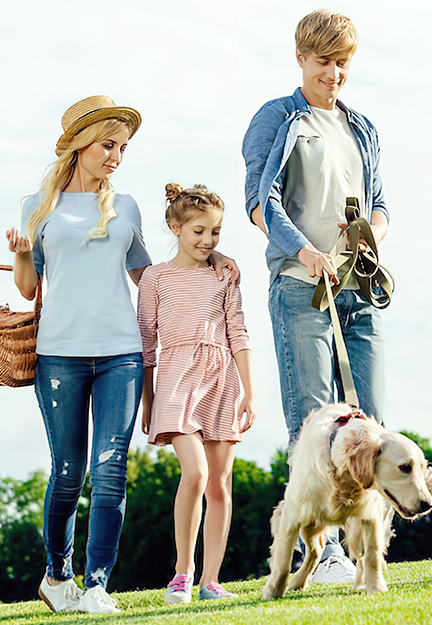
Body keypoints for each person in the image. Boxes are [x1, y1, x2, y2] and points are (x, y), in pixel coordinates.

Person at [5, 97, 237, 614]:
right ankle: (57, 575)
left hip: (121, 354)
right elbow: (27, 288)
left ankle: (97, 585)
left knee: (111, 471)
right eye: (108, 145)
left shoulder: (126, 206)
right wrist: (23, 252)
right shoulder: (36, 205)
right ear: (79, 146)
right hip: (59, 355)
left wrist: (204, 264)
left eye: (122, 147)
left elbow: (148, 277)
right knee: (69, 471)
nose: (116, 155)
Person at [241, 9, 390, 583]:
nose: (334, 73)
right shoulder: (277, 118)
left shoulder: (363, 127)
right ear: (300, 58)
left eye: (343, 63)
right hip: (303, 289)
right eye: (324, 61)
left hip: (358, 289)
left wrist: (371, 235)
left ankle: (367, 558)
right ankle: (320, 554)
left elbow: (380, 200)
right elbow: (261, 202)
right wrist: (306, 252)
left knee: (371, 425)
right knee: (313, 427)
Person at [137, 183, 258, 604]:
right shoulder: (154, 278)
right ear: (175, 226)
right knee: (196, 473)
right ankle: (181, 574)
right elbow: (147, 344)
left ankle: (210, 581)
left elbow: (238, 331)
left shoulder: (224, 276)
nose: (208, 241)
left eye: (216, 233)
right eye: (198, 232)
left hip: (221, 378)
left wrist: (248, 391)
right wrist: (148, 400)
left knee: (220, 485)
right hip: (175, 378)